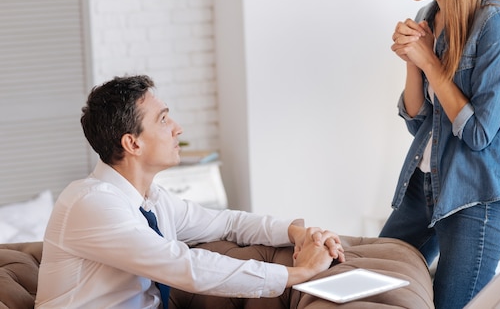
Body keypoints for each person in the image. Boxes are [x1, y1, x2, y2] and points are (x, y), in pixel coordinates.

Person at [35, 74, 344, 308]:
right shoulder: (91, 203)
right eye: (163, 119)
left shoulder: (152, 200)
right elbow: (185, 266)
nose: (177, 128)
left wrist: (297, 234)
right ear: (133, 143)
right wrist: (297, 275)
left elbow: (227, 223)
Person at [378, 0, 500, 309]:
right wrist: (413, 61)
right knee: (375, 287)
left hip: (474, 199)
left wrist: (428, 59)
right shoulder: (430, 14)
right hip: (423, 186)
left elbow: (479, 134)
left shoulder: (498, 25)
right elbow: (419, 121)